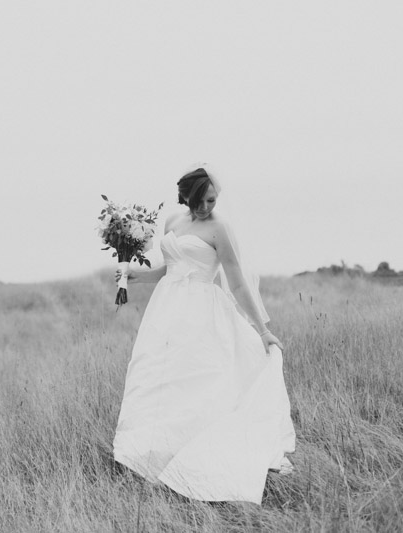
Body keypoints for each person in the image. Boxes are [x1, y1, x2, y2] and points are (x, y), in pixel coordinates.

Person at [112, 167, 296, 505]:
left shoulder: (219, 228)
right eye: (202, 200)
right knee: (159, 380)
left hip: (202, 312)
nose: (208, 206)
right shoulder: (172, 222)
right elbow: (171, 267)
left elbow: (237, 281)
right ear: (187, 197)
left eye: (213, 200)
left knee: (202, 383)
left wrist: (264, 330)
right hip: (166, 311)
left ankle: (205, 467)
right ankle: (158, 461)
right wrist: (135, 275)